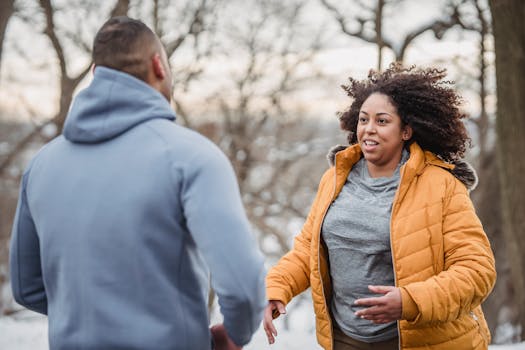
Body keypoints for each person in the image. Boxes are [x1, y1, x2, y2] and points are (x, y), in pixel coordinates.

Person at [9, 16, 266, 350]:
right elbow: (243, 287)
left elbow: (27, 287)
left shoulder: (41, 165)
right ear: (158, 65)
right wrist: (234, 335)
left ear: (95, 74)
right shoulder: (192, 157)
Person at [263, 63, 496, 350]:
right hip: (345, 339)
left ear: (406, 131)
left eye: (382, 121)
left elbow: (476, 270)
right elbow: (308, 250)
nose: (368, 129)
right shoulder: (335, 179)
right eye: (363, 120)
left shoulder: (441, 185)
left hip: (419, 341)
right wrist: (277, 289)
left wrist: (410, 301)